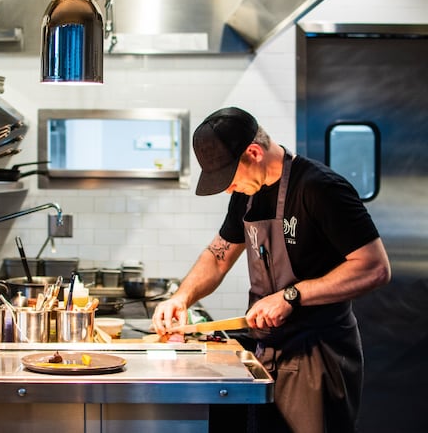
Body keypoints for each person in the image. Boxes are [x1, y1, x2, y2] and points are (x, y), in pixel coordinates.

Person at [152, 107, 391, 433]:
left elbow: (374, 267)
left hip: (317, 357)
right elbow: (218, 255)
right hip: (268, 353)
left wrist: (292, 296)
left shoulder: (320, 189)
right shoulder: (246, 197)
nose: (227, 189)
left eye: (229, 178)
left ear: (254, 152)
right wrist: (182, 298)